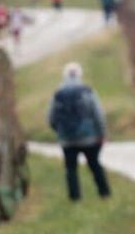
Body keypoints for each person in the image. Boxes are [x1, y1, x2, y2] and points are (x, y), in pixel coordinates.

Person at [48, 62, 111, 201]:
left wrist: (60, 132)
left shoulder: (58, 94)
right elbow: (97, 114)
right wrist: (102, 134)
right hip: (89, 138)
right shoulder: (87, 92)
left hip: (67, 139)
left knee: (71, 169)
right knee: (94, 165)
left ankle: (75, 198)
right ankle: (104, 193)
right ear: (80, 75)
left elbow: (51, 118)